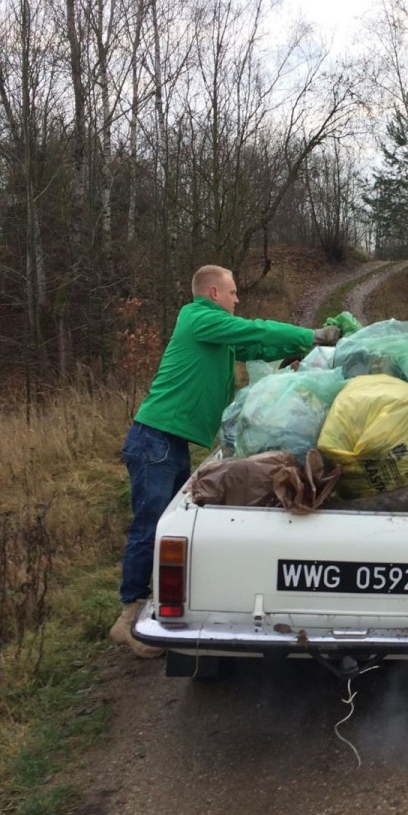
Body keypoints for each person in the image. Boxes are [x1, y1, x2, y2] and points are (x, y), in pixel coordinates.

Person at [110, 265, 342, 658]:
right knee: (150, 527)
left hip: (170, 442)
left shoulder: (217, 335)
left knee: (167, 525)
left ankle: (151, 604)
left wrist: (302, 348)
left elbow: (258, 346)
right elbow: (254, 330)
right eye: (233, 293)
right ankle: (127, 616)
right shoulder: (198, 318)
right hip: (154, 440)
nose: (238, 300)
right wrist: (311, 334)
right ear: (214, 292)